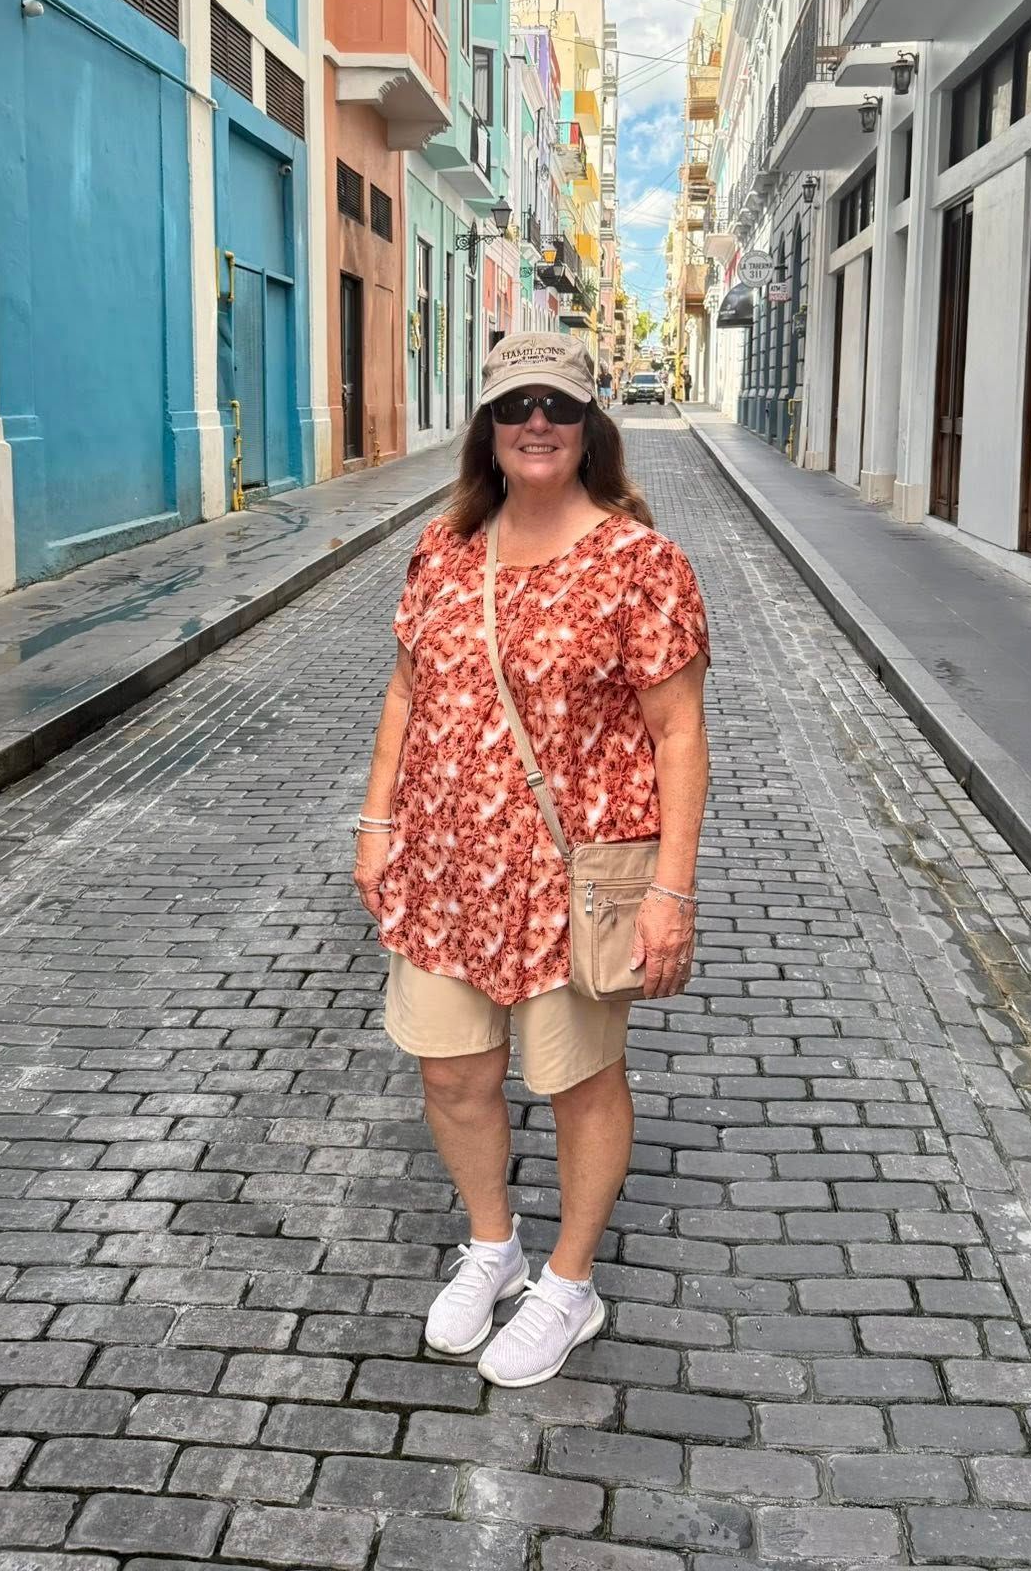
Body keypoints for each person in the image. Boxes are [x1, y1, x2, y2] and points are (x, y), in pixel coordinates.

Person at [354, 333, 710, 1388]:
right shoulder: (446, 548)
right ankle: (493, 1241)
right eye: (518, 407)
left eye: (558, 404)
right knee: (452, 1071)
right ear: (490, 430)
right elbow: (408, 691)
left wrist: (670, 890)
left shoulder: (638, 563)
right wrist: (376, 822)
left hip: (576, 873)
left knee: (578, 1080)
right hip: (446, 867)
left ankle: (568, 1280)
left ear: (590, 424)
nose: (538, 422)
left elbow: (679, 733)